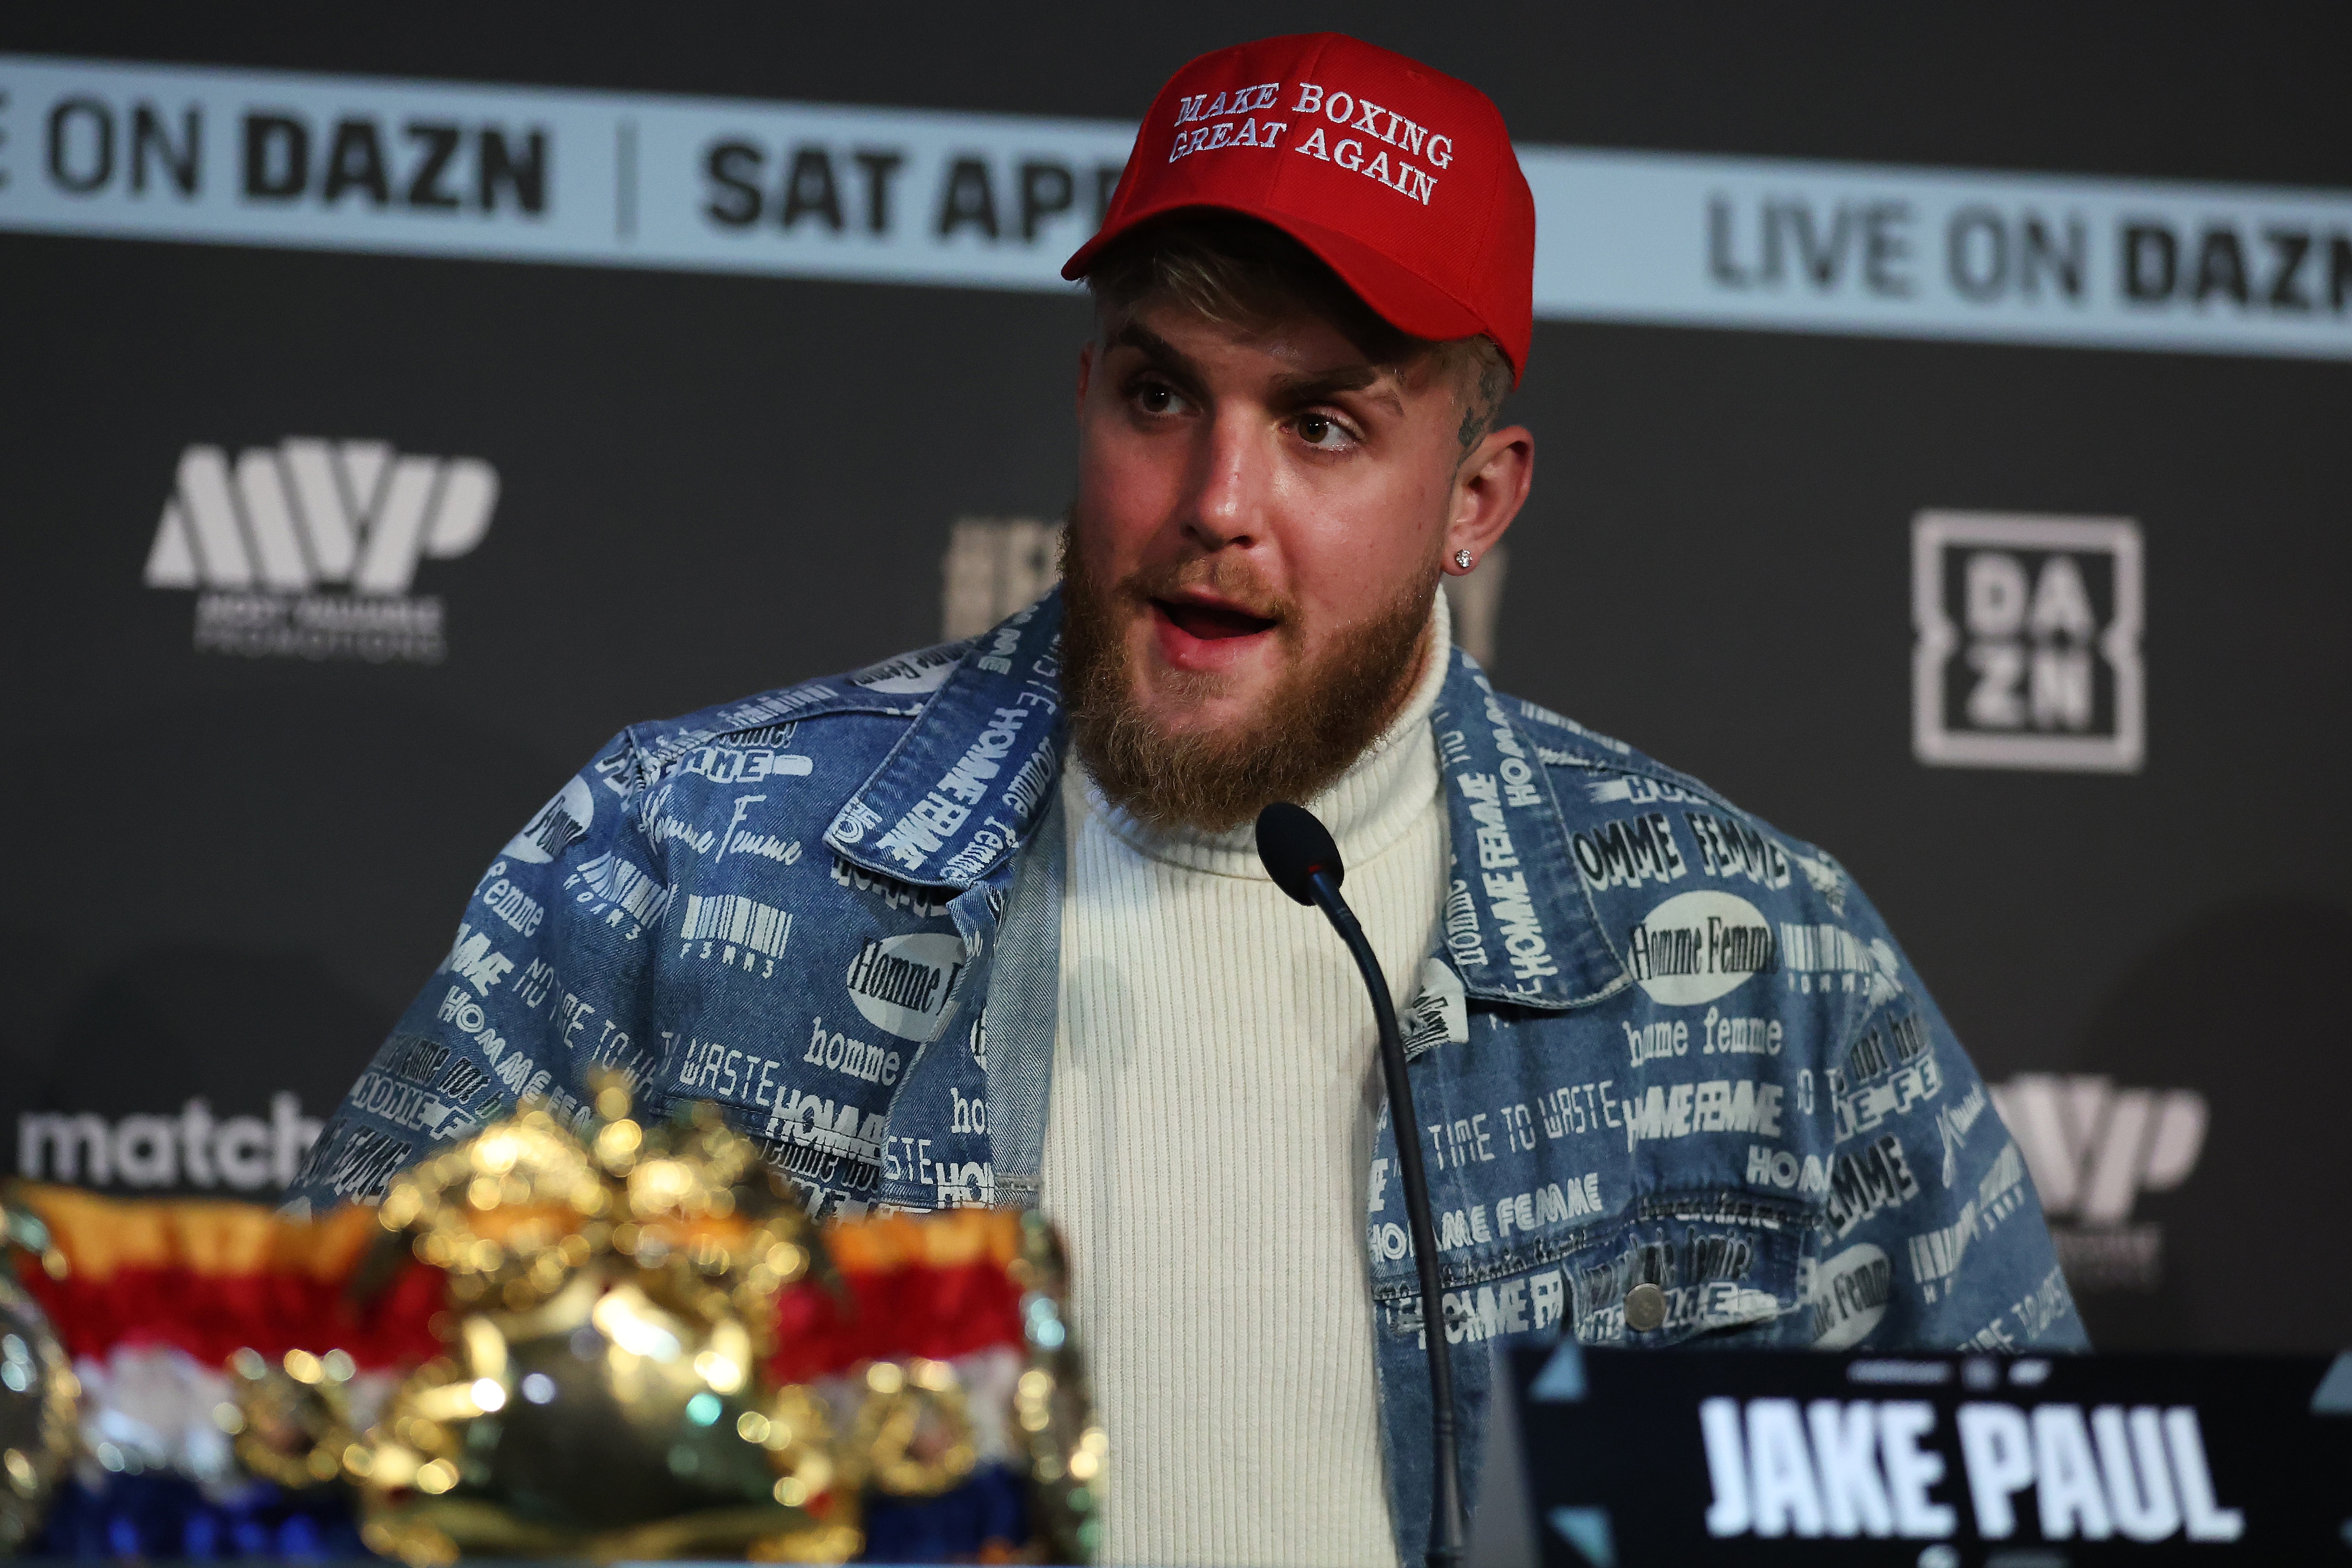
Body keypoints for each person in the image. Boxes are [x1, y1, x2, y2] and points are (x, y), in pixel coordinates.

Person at [294, 31, 2085, 1568]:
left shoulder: (1765, 964)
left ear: (1477, 496)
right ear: (1086, 398)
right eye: (1162, 395)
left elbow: (2054, 1506)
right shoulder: (685, 861)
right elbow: (296, 1452)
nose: (1216, 501)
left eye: (1322, 424)